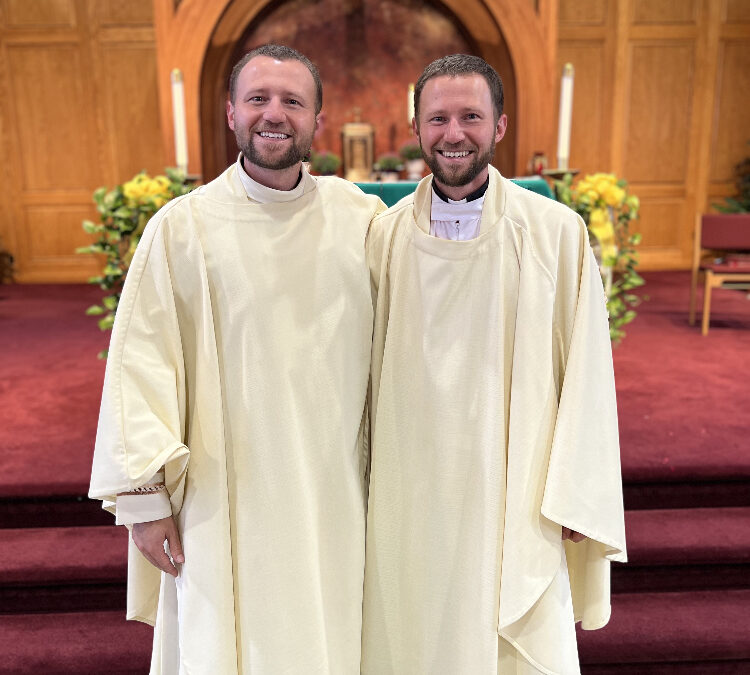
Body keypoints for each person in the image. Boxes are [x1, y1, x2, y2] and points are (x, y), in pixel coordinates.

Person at [89, 44, 383, 674]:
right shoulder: (182, 229)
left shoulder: (361, 219)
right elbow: (141, 363)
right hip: (224, 499)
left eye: (292, 101)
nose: (273, 114)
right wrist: (146, 503)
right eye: (258, 99)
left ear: (317, 121)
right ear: (230, 113)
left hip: (336, 490)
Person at [361, 54, 626, 674]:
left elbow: (587, 369)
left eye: (471, 116)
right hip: (409, 484)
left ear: (500, 126)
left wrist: (575, 489)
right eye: (439, 118)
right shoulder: (384, 235)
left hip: (517, 477)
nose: (455, 134)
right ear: (417, 128)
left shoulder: (555, 232)